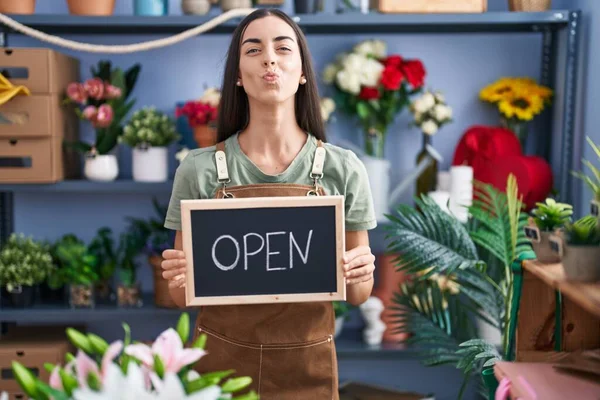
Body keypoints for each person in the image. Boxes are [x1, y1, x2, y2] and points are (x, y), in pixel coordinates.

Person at [161, 8, 377, 400]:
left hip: (307, 369)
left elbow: (360, 293)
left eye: (282, 47)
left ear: (303, 71)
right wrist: (178, 276)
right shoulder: (198, 169)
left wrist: (361, 270)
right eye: (253, 49)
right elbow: (182, 298)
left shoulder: (343, 168)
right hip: (219, 370)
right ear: (239, 76)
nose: (270, 58)